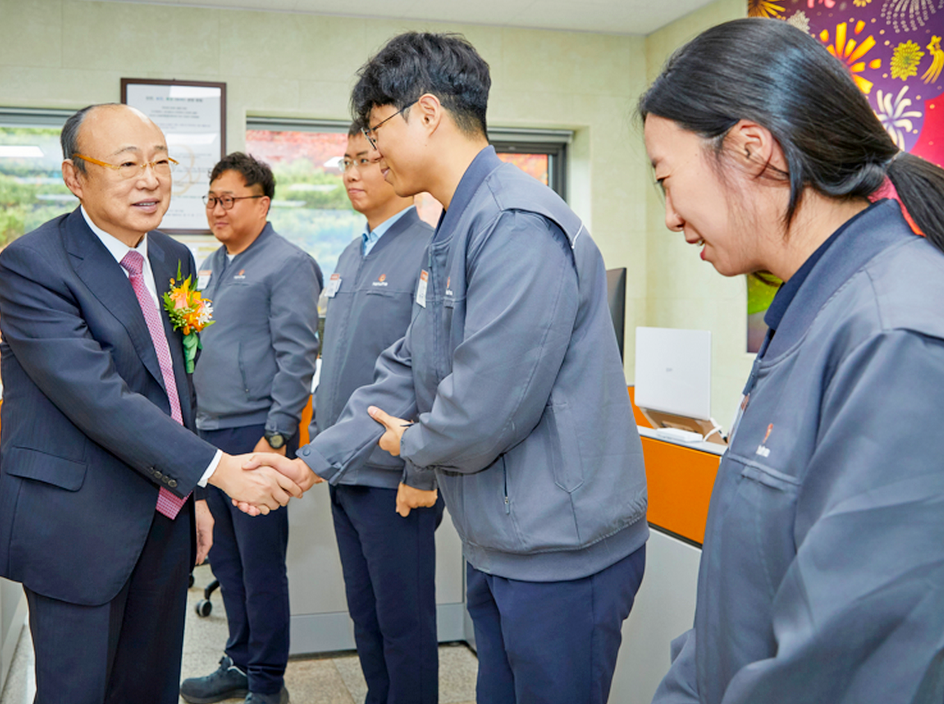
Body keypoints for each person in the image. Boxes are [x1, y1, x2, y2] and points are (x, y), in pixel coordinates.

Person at [247, 32, 649, 704]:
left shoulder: (514, 224)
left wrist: (414, 446)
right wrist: (313, 462)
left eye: (377, 130)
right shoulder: (458, 228)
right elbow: (409, 362)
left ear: (427, 114)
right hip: (502, 540)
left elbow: (486, 408)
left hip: (559, 552)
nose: (370, 152)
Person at [640, 18, 944, 704]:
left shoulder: (895, 335)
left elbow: (849, 664)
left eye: (666, 178)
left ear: (752, 149)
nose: (669, 216)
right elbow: (743, 596)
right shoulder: (812, 310)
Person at [0, 104, 301, 704]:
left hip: (165, 514)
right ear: (74, 176)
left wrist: (197, 497)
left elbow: (176, 390)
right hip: (75, 524)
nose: (150, 178)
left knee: (149, 686)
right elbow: (101, 397)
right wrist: (221, 470)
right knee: (78, 691)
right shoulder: (34, 265)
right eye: (127, 163)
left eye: (160, 162)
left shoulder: (173, 259)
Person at [179, 153, 321, 704]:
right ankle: (238, 661)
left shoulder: (285, 263)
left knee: (261, 567)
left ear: (262, 204)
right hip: (211, 438)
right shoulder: (210, 265)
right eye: (212, 199)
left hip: (255, 435)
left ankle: (267, 681)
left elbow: (297, 356)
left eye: (228, 199)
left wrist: (278, 435)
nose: (217, 209)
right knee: (226, 560)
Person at [311, 123, 441, 704]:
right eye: (346, 162)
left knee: (404, 625)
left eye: (367, 160)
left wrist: (421, 471)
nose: (353, 174)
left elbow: (431, 372)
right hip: (344, 470)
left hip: (392, 474)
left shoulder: (430, 249)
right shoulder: (347, 252)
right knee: (365, 617)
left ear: (395, 167)